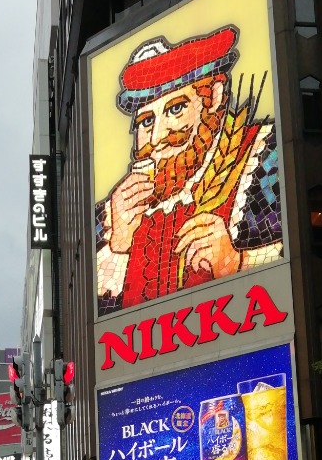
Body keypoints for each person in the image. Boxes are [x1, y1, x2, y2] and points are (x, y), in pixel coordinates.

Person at [95, 25, 281, 314]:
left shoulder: (265, 156)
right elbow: (86, 322)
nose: (157, 137)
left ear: (215, 96)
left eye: (175, 109)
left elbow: (297, 260)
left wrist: (237, 261)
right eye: (145, 122)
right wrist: (118, 247)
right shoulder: (112, 212)